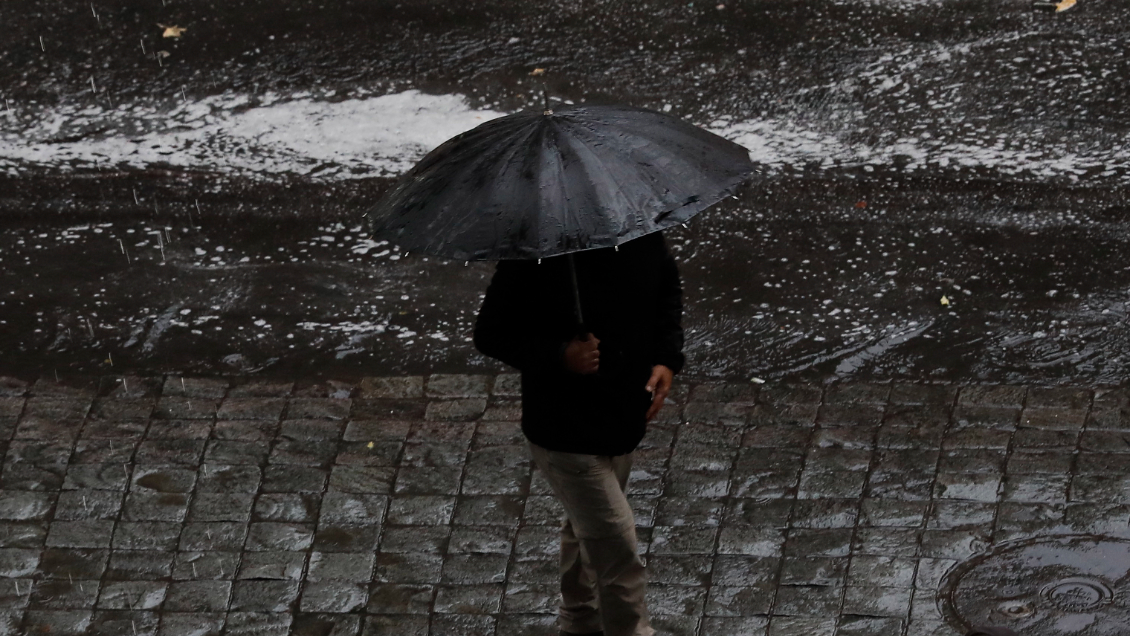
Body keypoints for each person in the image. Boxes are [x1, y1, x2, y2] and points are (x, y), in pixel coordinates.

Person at [473, 230, 685, 636]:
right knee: (616, 548)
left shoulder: (640, 235)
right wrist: (560, 355)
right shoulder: (534, 252)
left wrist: (666, 359)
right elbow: (491, 333)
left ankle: (578, 618)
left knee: (584, 526)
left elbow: (667, 293)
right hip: (563, 429)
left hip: (624, 415)